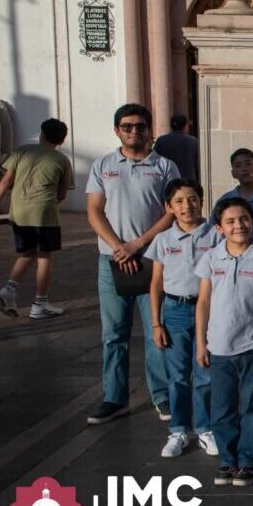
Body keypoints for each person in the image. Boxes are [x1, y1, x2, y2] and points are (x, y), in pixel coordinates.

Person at [86, 103, 179, 425]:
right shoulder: (103, 165)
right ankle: (114, 397)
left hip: (152, 259)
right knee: (114, 333)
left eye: (140, 126)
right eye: (127, 126)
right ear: (117, 131)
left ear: (149, 129)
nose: (134, 131)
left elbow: (172, 211)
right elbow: (94, 210)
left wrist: (138, 244)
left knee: (157, 330)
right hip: (112, 260)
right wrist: (118, 248)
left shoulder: (164, 166)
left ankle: (162, 395)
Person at [196, 197, 253, 487]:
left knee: (252, 408)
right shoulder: (211, 258)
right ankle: (227, 459)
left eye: (244, 219)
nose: (239, 225)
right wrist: (201, 343)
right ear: (219, 227)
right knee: (222, 409)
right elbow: (203, 302)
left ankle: (248, 460)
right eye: (231, 221)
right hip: (219, 348)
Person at [145, 179, 220, 458]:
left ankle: (205, 429)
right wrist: (156, 322)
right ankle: (178, 430)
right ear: (169, 207)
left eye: (192, 199)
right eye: (179, 201)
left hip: (208, 311)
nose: (187, 206)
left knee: (205, 372)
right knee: (177, 375)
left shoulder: (215, 236)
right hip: (175, 311)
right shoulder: (163, 239)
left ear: (201, 201)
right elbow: (156, 283)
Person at [0, 118, 74, 319]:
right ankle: (40, 304)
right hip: (44, 213)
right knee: (44, 256)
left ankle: (8, 290)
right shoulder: (62, 160)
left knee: (27, 252)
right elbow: (62, 194)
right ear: (62, 140)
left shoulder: (22, 151)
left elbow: (5, 182)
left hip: (19, 212)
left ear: (42, 135)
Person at [152, 115, 200, 182]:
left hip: (168, 179)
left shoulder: (161, 140)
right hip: (187, 180)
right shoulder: (193, 141)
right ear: (185, 126)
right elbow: (198, 162)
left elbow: (154, 160)